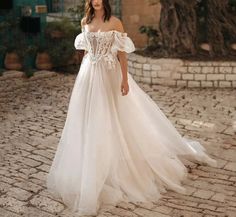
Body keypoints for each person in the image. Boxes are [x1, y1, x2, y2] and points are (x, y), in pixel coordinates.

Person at [46, 0, 217, 216]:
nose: (96, 1)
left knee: (115, 115)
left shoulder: (115, 22)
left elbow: (122, 54)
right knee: (90, 119)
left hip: (110, 74)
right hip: (89, 75)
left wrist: (125, 79)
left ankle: (121, 162)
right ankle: (93, 163)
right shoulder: (85, 21)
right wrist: (84, 75)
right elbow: (87, 52)